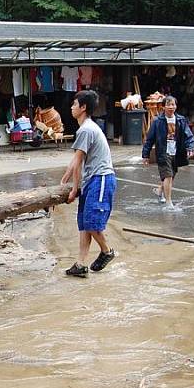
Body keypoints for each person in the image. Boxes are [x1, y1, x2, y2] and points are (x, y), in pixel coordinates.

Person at [61, 90, 117, 278]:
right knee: (84, 225)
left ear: (83, 107)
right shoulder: (85, 128)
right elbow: (75, 161)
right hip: (92, 180)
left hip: (101, 179)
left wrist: (74, 189)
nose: (71, 107)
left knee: (92, 223)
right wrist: (64, 182)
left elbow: (77, 163)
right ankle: (80, 264)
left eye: (74, 104)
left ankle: (107, 251)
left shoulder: (86, 129)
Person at [142, 95, 194, 208]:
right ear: (163, 107)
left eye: (173, 104)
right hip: (163, 152)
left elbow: (188, 135)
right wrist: (145, 154)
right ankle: (168, 202)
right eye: (168, 104)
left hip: (176, 151)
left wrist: (190, 147)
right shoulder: (157, 121)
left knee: (171, 175)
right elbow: (150, 138)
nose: (171, 107)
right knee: (168, 176)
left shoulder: (181, 120)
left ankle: (159, 190)